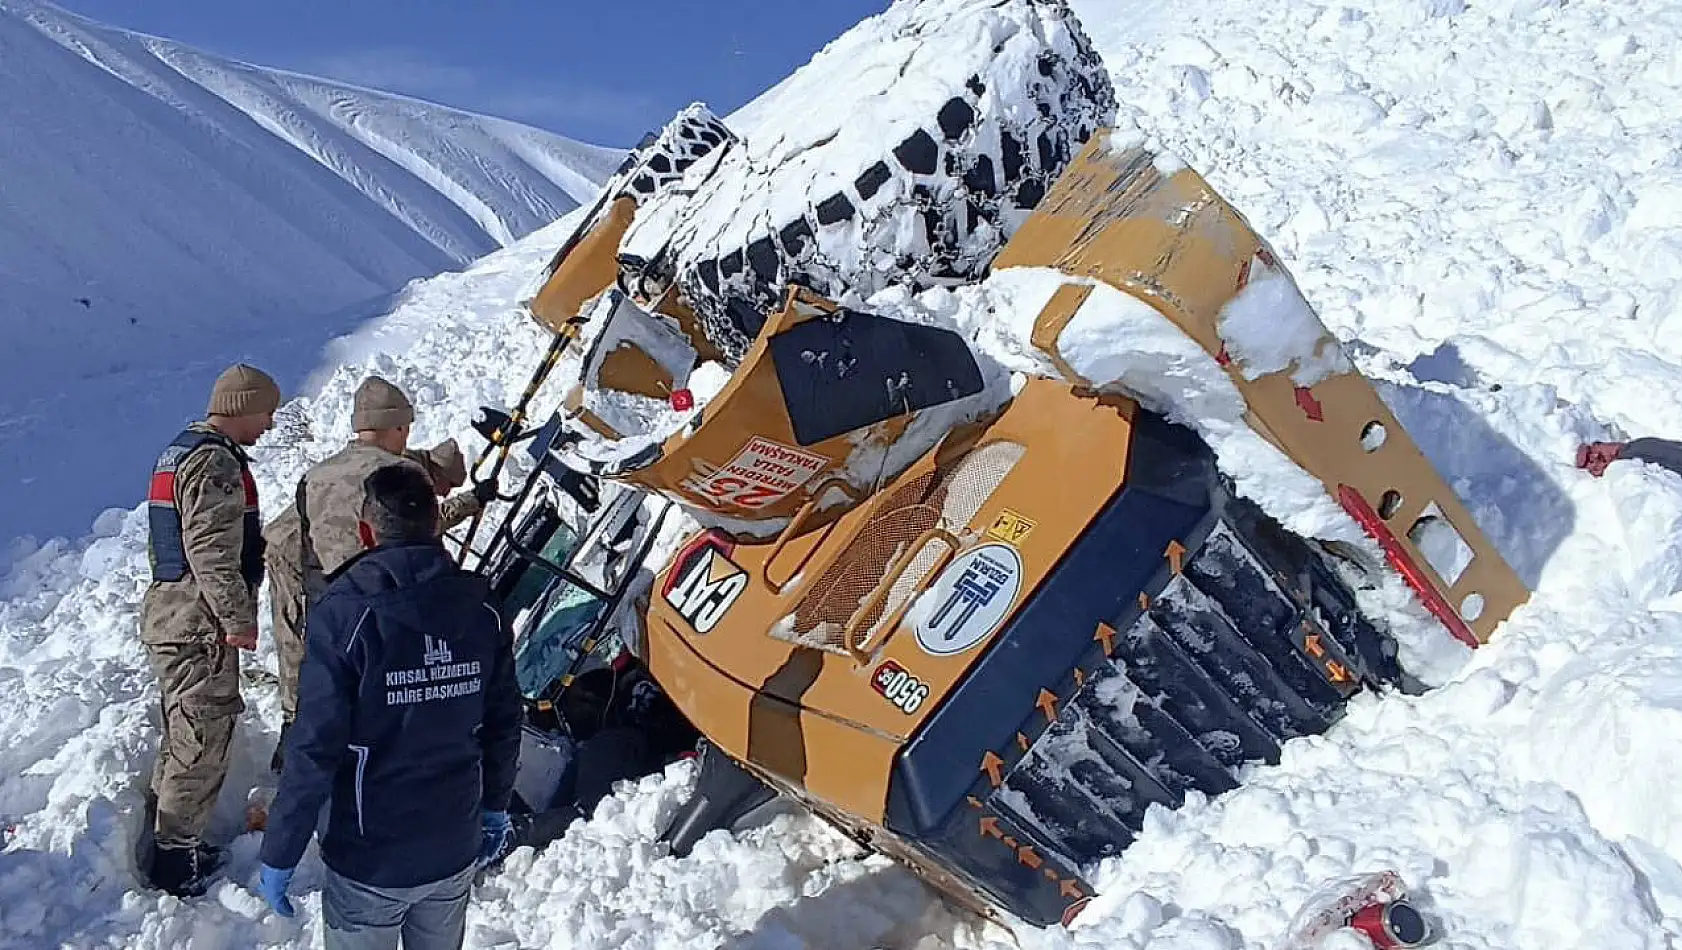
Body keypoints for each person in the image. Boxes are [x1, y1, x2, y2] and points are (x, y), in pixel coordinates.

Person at [258, 463, 521, 949]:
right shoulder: (481, 608)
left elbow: (314, 745)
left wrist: (281, 849)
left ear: (366, 531)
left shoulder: (344, 615)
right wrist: (494, 806)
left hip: (369, 855)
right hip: (452, 841)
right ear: (436, 523)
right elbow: (504, 723)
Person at [263, 438, 494, 772]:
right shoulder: (399, 473)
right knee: (304, 643)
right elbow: (407, 528)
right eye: (444, 487)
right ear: (436, 474)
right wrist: (470, 501)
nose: (442, 493)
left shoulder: (398, 467)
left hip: (316, 551)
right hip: (298, 553)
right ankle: (297, 734)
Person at [139, 363, 281, 896]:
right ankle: (177, 861)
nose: (268, 425)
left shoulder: (181, 451)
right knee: (201, 739)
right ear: (241, 406)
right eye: (266, 412)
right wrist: (238, 619)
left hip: (176, 616)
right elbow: (212, 555)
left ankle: (174, 841)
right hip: (199, 624)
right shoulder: (215, 463)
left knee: (183, 733)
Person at [1579, 438, 1682, 478]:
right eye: (1591, 461)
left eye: (1592, 450)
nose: (1596, 456)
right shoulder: (1631, 462)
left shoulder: (1636, 445)